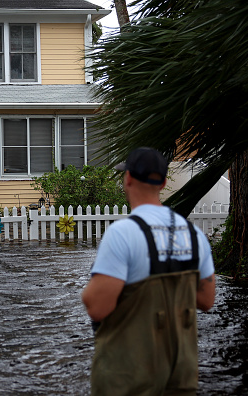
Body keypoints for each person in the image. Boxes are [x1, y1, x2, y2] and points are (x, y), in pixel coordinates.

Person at [81, 147, 215, 395]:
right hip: (181, 375)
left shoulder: (122, 234)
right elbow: (206, 300)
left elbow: (98, 307)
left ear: (128, 178)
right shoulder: (195, 235)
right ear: (163, 182)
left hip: (129, 377)